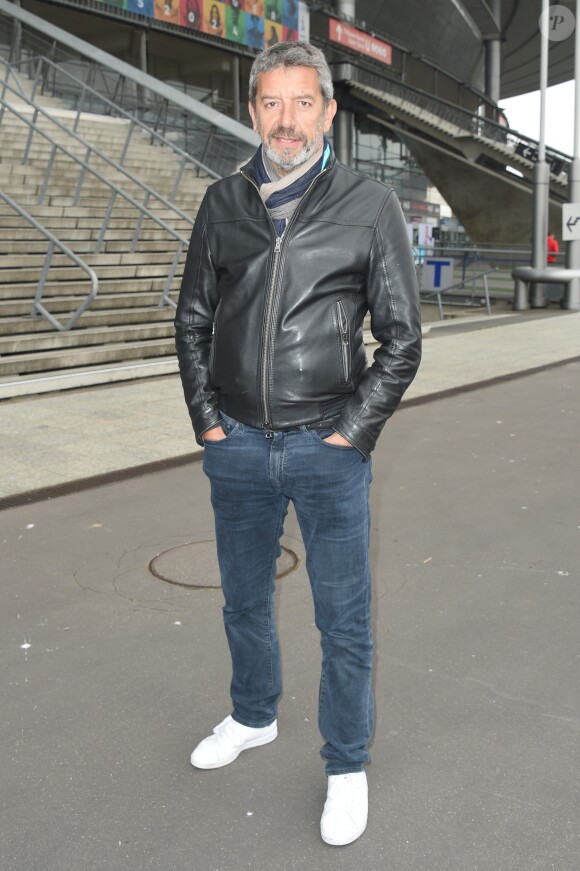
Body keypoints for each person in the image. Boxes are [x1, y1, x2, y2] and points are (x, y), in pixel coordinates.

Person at [175, 41, 421, 847]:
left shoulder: (371, 203)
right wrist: (209, 421)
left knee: (343, 620)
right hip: (237, 443)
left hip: (327, 446)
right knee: (244, 601)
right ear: (253, 109)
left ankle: (345, 762)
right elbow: (193, 320)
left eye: (303, 103)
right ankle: (253, 715)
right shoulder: (223, 201)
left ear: (328, 111)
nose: (287, 121)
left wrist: (352, 431)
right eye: (272, 104)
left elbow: (403, 340)